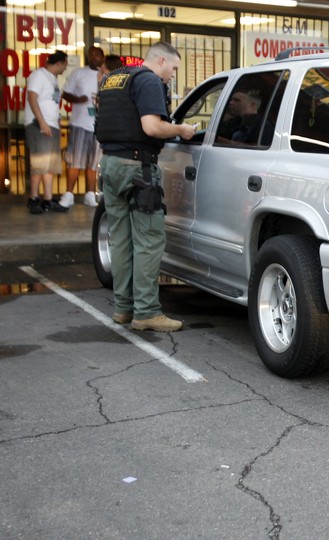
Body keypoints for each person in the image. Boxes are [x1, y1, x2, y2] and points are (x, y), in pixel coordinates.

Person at [96, 42, 196, 332]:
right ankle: (147, 312)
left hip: (111, 165)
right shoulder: (149, 80)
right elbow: (152, 127)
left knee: (122, 240)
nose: (172, 75)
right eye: (173, 68)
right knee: (148, 241)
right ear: (161, 60)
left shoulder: (113, 79)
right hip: (138, 169)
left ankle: (124, 309)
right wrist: (181, 129)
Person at [59, 46, 106, 208]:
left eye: (97, 55)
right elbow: (65, 93)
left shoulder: (107, 75)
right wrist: (77, 99)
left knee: (94, 162)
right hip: (80, 124)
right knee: (75, 161)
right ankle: (68, 194)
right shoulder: (78, 73)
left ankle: (90, 194)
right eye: (91, 55)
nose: (94, 57)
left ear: (102, 57)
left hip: (99, 126)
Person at [24, 50, 69, 214]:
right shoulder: (39, 75)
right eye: (65, 64)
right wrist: (42, 122)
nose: (65, 68)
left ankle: (48, 199)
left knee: (50, 164)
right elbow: (31, 97)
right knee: (39, 162)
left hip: (51, 125)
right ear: (59, 63)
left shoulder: (53, 79)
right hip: (39, 124)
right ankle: (34, 198)